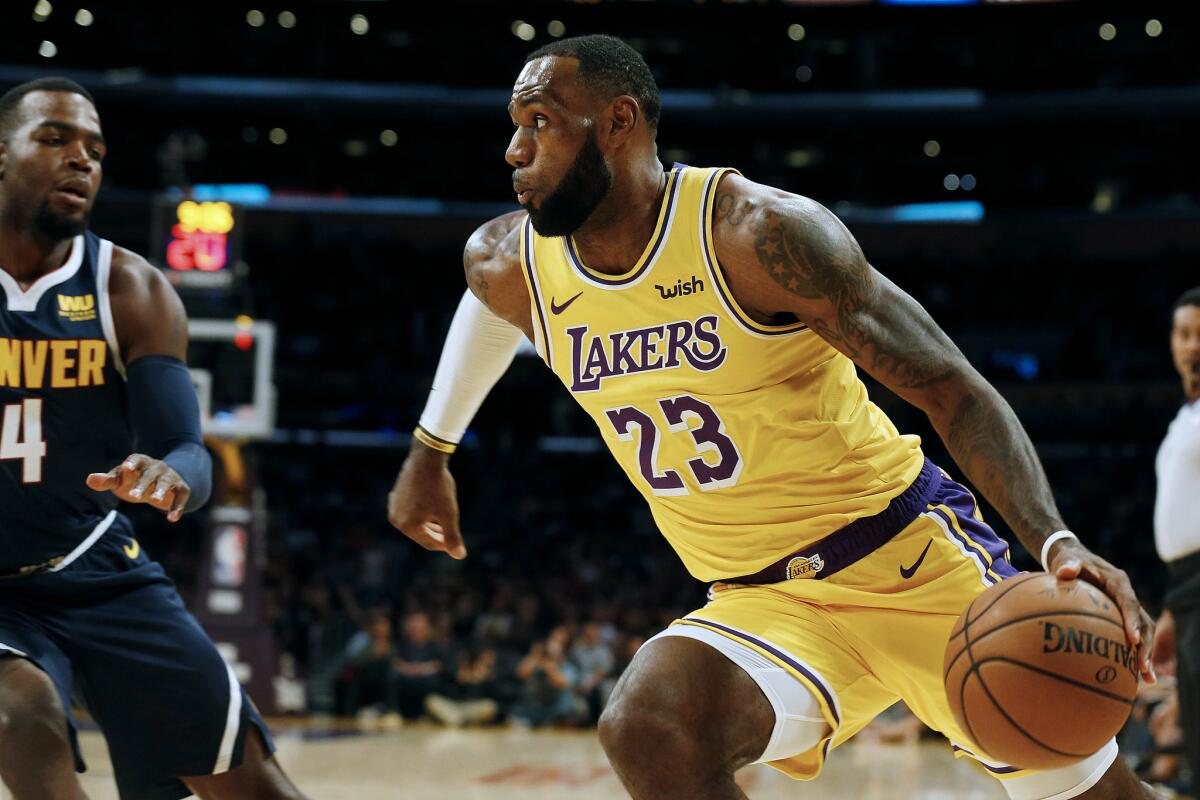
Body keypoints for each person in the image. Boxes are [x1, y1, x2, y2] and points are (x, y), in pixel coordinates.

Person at [388, 35, 1160, 800]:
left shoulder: (756, 234)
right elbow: (486, 303)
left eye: (541, 121)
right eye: (515, 125)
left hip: (910, 559)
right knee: (648, 724)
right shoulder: (509, 262)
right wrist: (432, 449)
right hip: (763, 601)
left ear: (619, 122)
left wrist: (1053, 538)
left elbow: (950, 387)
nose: (514, 150)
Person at [0, 78, 306, 799]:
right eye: (54, 139)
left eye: (95, 150)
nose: (81, 160)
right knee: (20, 713)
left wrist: (170, 475)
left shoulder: (128, 288)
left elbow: (188, 450)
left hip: (94, 566)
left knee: (259, 789)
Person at [1152, 287, 1200, 791]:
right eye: (1185, 334)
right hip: (1186, 587)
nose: (1193, 346)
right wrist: (1173, 607)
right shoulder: (1185, 419)